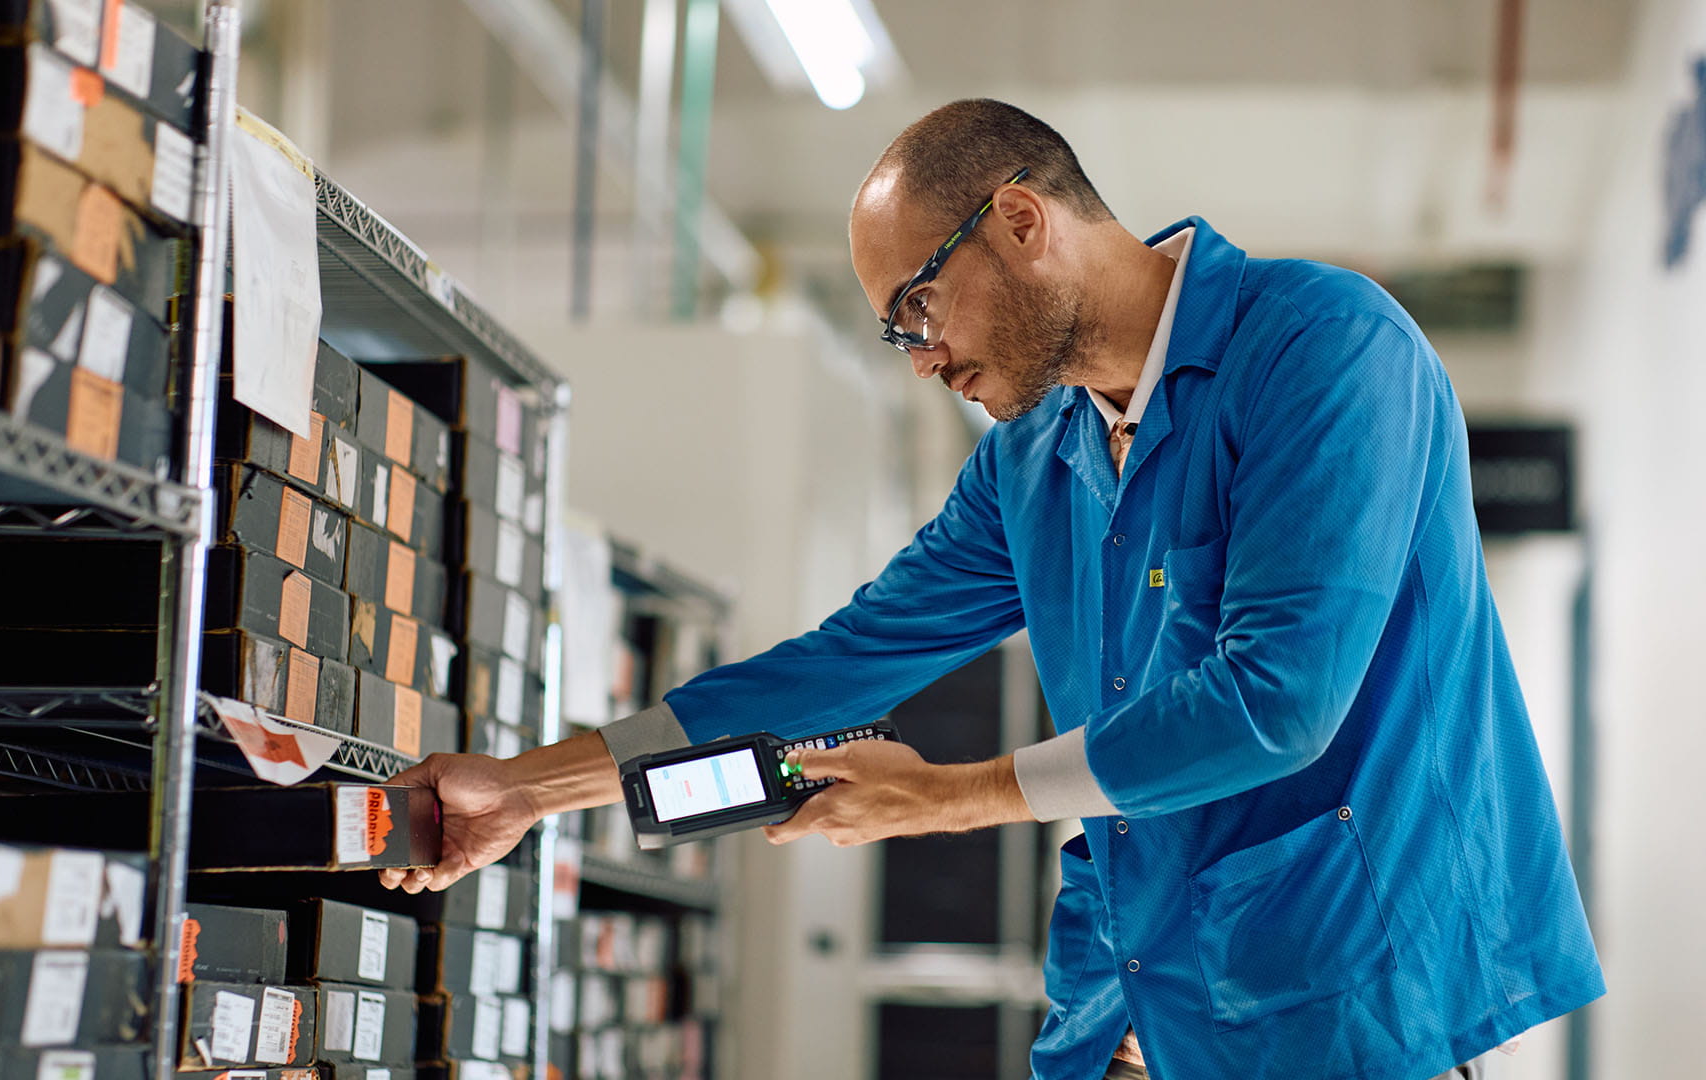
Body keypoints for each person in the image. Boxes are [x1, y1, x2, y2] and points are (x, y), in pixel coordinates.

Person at [383, 99, 1603, 1080]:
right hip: (1130, 998)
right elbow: (837, 666)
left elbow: (1278, 701)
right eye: (895, 331)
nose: (923, 357)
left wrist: (950, 799)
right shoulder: (1035, 460)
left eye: (918, 305)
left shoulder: (1325, 347)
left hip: (1339, 999)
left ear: (1020, 220)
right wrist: (531, 791)